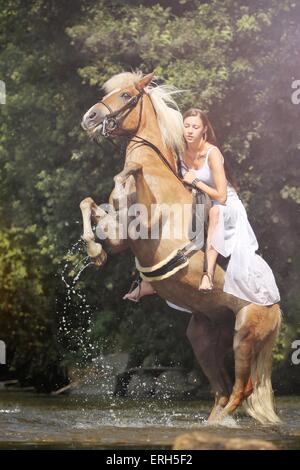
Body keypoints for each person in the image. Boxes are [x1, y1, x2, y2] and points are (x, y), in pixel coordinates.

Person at [123, 108, 280, 307]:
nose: (189, 131)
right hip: (200, 202)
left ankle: (208, 274)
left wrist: (196, 181)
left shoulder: (212, 153)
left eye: (195, 127)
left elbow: (221, 196)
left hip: (226, 206)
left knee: (215, 211)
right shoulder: (180, 151)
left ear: (204, 129)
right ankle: (148, 282)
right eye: (186, 126)